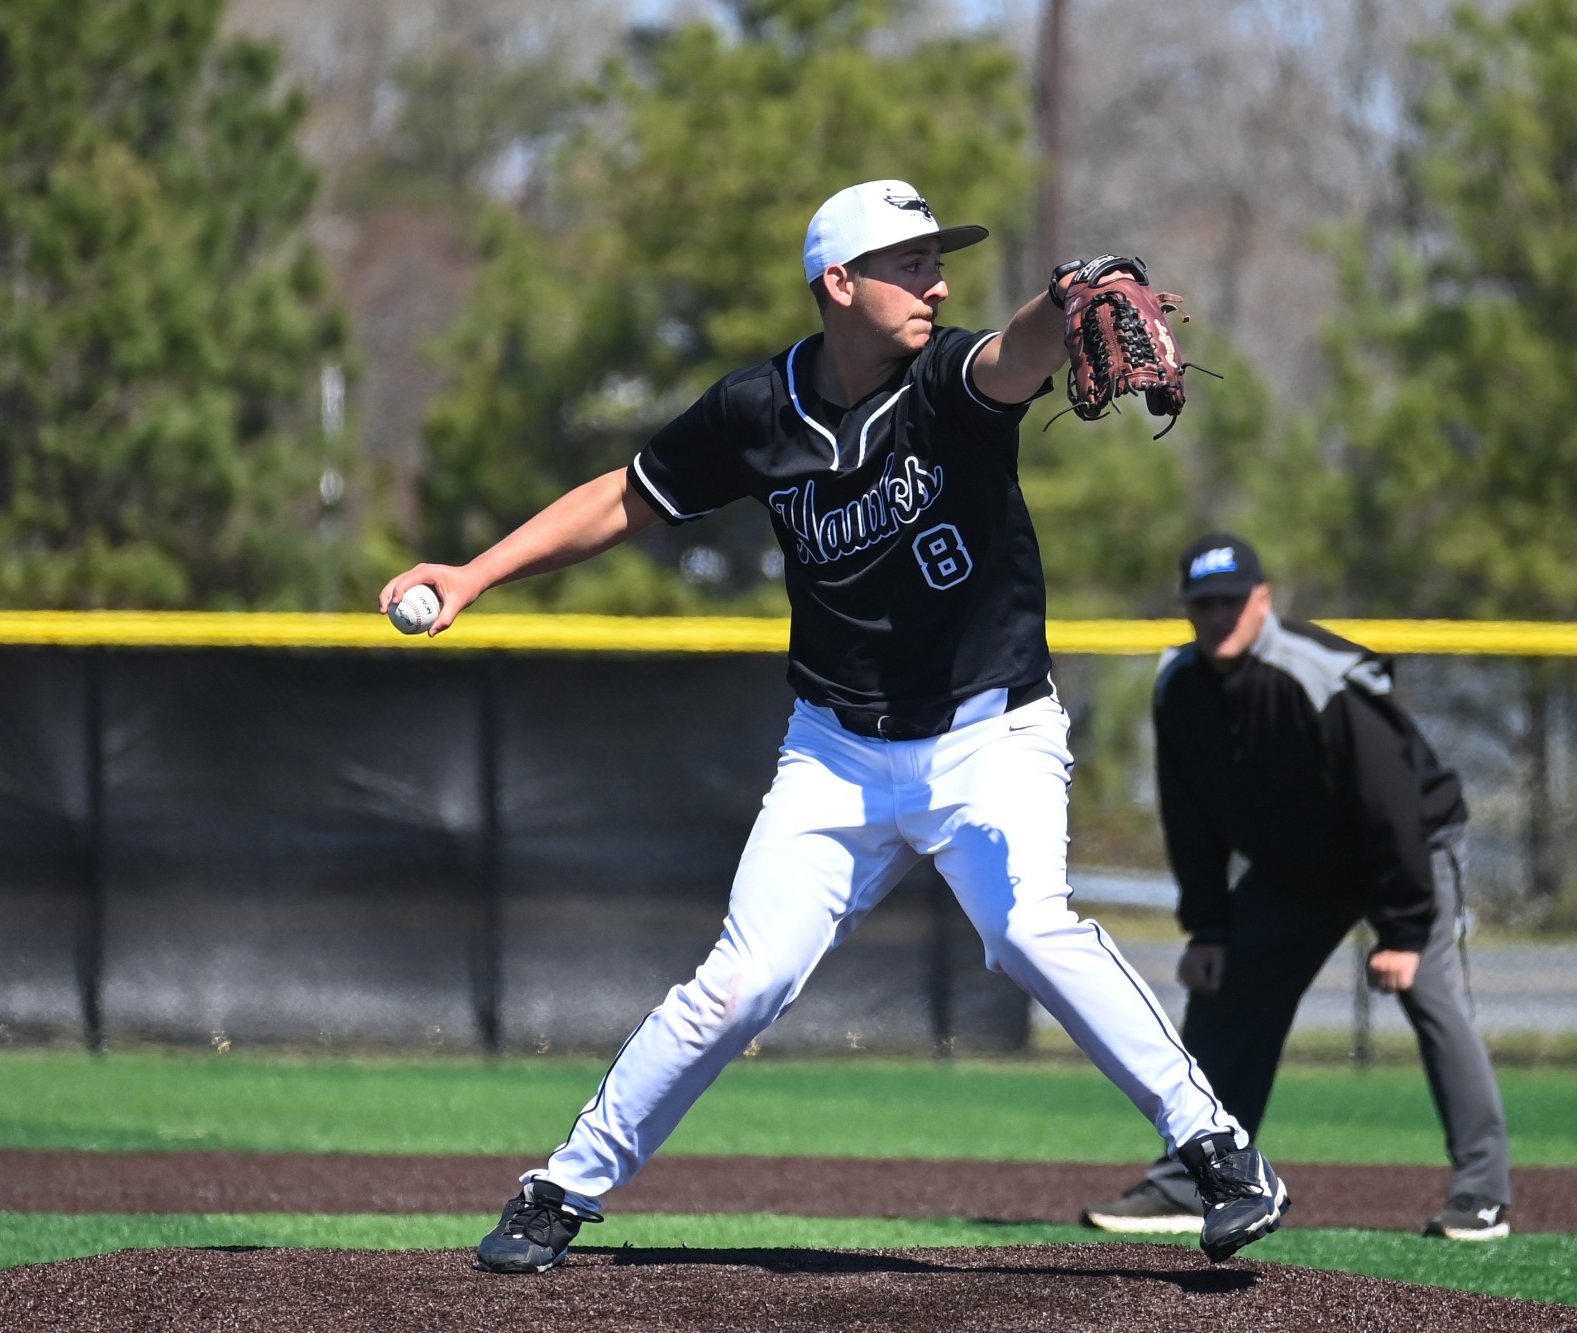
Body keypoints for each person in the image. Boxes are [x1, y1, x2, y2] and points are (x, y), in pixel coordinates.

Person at [380, 182, 1289, 1272]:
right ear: (838, 282)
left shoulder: (945, 382)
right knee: (740, 981)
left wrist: (1072, 299)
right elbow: (627, 495)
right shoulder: (756, 411)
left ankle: (1218, 1150)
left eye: (937, 263)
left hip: (988, 737)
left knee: (1028, 930)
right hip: (838, 753)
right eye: (908, 263)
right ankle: (561, 1187)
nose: (934, 280)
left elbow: (1016, 354)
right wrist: (475, 574)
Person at [1081, 534, 1513, 1241]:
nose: (1217, 616)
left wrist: (1403, 930)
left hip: (1404, 848)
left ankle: (1482, 1194)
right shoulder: (1180, 685)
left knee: (1431, 994)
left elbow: (1391, 800)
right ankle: (1191, 1181)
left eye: (1229, 601)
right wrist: (1210, 927)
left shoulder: (1318, 673)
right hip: (1298, 869)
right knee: (1225, 991)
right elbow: (1190, 816)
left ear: (1262, 600)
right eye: (1202, 604)